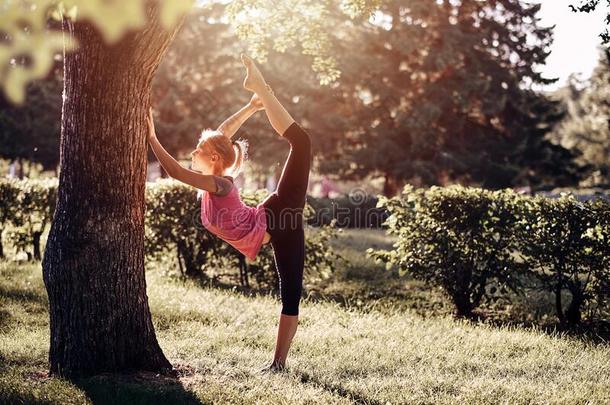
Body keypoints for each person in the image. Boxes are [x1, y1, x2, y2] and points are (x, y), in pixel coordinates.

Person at [147, 54, 312, 373]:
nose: (193, 153)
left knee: (301, 142)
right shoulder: (216, 183)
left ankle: (263, 86)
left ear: (211, 158)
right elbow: (222, 132)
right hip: (274, 221)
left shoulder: (219, 184)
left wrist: (152, 138)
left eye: (197, 150)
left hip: (280, 215)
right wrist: (251, 107)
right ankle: (278, 364)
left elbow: (178, 172)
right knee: (290, 293)